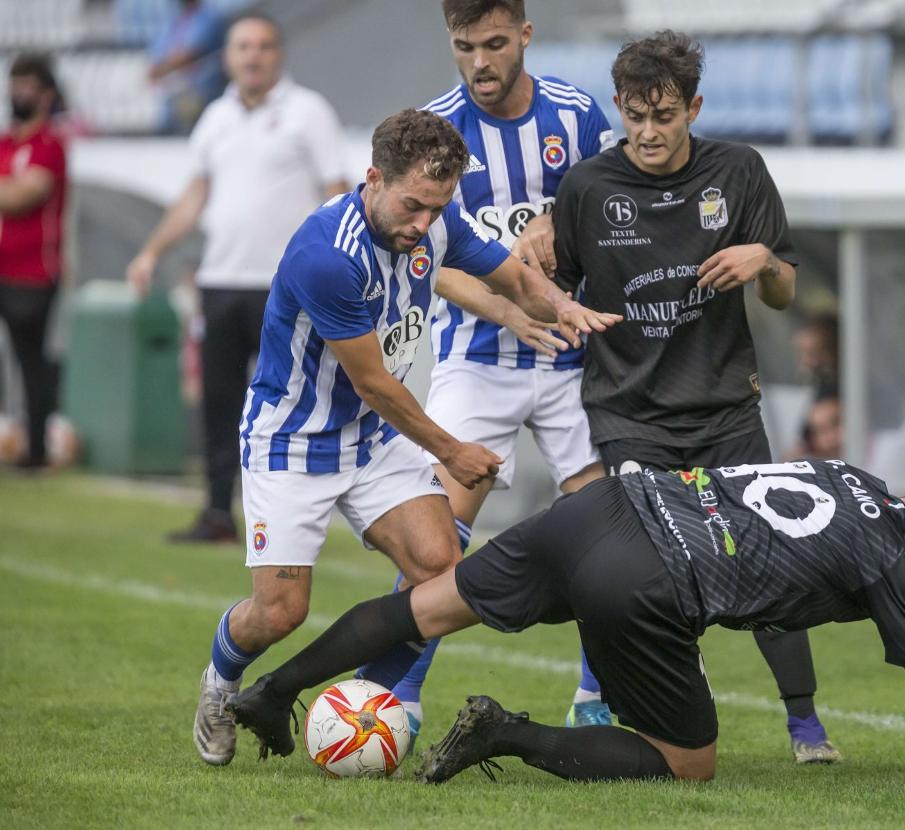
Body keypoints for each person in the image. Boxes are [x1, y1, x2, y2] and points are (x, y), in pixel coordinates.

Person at [187, 106, 619, 767]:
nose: (423, 226)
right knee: (279, 614)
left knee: (442, 569)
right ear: (373, 179)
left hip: (369, 439)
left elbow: (510, 272)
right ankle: (220, 684)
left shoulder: (435, 223)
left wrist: (564, 307)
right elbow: (376, 386)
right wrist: (453, 450)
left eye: (436, 208)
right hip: (294, 443)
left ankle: (374, 706)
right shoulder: (328, 257)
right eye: (413, 206)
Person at [227, 459, 905, 786]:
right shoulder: (888, 560)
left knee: (426, 604)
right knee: (690, 761)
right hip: (648, 577)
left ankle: (272, 690)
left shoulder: (853, 477)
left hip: (607, 506)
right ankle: (505, 734)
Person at [549, 30, 835, 762]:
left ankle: (805, 724)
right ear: (620, 108)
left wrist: (763, 260)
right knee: (642, 570)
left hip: (725, 408)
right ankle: (642, 708)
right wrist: (555, 305)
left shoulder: (738, 173)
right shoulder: (586, 187)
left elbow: (782, 293)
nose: (648, 132)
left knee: (772, 558)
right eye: (635, 116)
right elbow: (553, 287)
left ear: (693, 108)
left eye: (665, 115)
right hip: (627, 412)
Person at [354, 0, 618, 736]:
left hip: (572, 359)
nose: (480, 62)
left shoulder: (576, 116)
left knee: (605, 531)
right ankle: (393, 699)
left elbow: (611, 207)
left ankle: (599, 697)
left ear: (525, 35)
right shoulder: (435, 131)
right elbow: (423, 256)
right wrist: (507, 306)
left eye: (496, 44)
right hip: (477, 359)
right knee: (437, 537)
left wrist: (562, 220)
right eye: (465, 46)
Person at [127, 13, 350, 543]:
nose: (253, 55)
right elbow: (196, 194)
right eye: (243, 46)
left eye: (263, 46)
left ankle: (300, 515)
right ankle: (217, 513)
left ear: (279, 54)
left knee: (293, 400)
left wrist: (340, 266)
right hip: (221, 279)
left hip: (286, 286)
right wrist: (152, 250)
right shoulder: (216, 117)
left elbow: (336, 193)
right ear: (227, 56)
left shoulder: (308, 111)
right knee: (220, 401)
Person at [0, 54, 67, 470]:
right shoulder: (6, 143)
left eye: (29, 85)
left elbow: (23, 196)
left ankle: (37, 450)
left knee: (30, 361)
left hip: (33, 272)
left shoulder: (50, 144)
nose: (19, 92)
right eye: (15, 83)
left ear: (46, 95)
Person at [146, 0, 227, 135]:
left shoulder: (209, 17)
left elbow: (189, 55)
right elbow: (156, 59)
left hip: (201, 92)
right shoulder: (176, 21)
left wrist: (163, 68)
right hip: (174, 92)